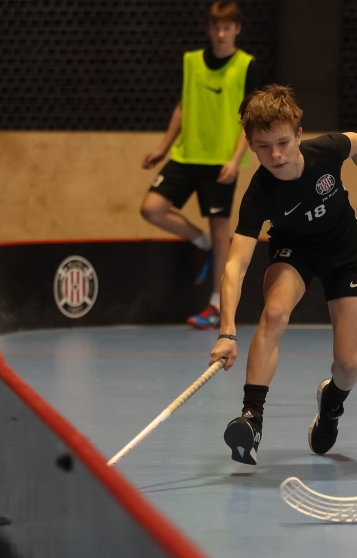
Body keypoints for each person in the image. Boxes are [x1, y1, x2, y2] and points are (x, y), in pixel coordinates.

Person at [209, 85, 357, 465]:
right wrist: (227, 332)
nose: (275, 155)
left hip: (345, 253)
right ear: (250, 145)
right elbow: (235, 265)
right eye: (263, 146)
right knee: (274, 313)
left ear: (299, 134)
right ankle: (252, 418)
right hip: (294, 252)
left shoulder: (326, 151)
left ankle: (331, 406)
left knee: (348, 367)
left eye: (283, 142)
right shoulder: (259, 194)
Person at [140, 1, 261, 330]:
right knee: (151, 208)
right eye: (216, 27)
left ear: (237, 29)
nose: (221, 33)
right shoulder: (191, 61)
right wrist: (163, 149)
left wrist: (236, 160)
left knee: (222, 232)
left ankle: (216, 307)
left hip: (221, 163)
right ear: (209, 29)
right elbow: (183, 106)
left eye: (227, 27)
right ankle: (201, 243)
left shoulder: (246, 65)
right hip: (185, 155)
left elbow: (249, 117)